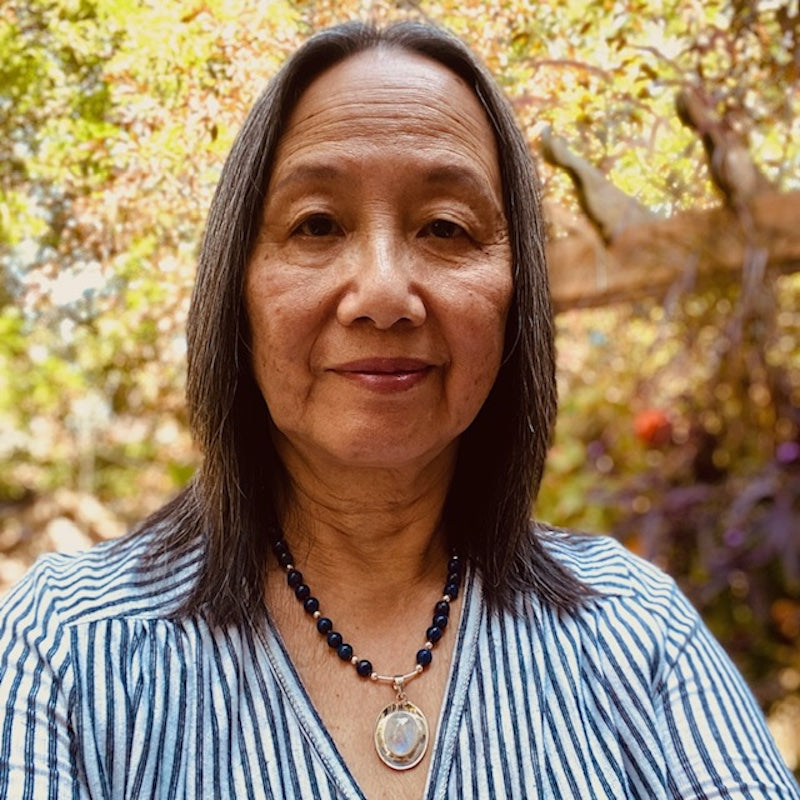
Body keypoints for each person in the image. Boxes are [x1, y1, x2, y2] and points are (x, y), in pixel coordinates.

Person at [0, 20, 797, 800]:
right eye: (316, 224)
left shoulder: (636, 631)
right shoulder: (69, 649)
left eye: (446, 228)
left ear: (516, 295)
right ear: (235, 289)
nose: (383, 293)